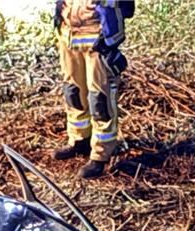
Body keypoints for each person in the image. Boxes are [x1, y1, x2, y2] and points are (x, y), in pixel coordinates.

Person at [52, 1, 134, 179]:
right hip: (68, 34)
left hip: (98, 38)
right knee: (73, 93)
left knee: (100, 100)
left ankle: (100, 154)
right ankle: (79, 140)